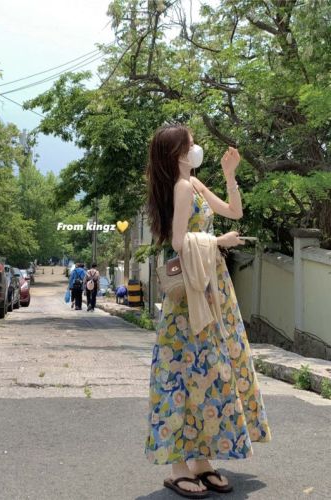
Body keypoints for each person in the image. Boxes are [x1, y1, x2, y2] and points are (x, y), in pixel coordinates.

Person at [144, 124, 271, 498]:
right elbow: (179, 242)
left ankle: (201, 462)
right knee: (184, 376)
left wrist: (230, 176)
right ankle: (179, 467)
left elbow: (234, 211)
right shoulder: (181, 188)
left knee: (208, 375)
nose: (195, 148)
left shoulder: (194, 184)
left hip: (211, 289)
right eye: (189, 144)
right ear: (176, 154)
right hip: (191, 298)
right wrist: (218, 241)